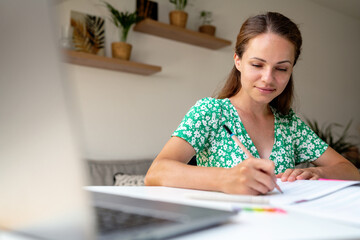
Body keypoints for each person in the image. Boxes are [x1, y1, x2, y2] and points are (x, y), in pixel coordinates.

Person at [145, 12, 360, 195]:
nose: (268, 78)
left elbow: (350, 171)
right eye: (257, 64)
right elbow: (156, 172)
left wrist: (318, 173)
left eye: (282, 68)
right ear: (238, 60)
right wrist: (226, 179)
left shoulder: (290, 124)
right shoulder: (210, 112)